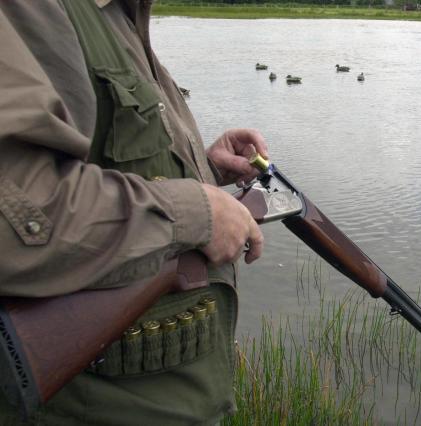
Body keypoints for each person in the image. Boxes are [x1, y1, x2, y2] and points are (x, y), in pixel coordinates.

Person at [0, 1, 266, 424]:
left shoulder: (119, 16)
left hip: (173, 400)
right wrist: (196, 212)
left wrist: (204, 166)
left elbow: (108, 163)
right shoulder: (33, 9)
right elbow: (17, 214)